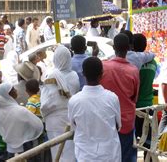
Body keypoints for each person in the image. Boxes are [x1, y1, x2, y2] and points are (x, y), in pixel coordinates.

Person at [68, 57, 122, 161]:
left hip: (85, 156)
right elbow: (118, 125)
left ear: (83, 73)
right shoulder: (112, 98)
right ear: (102, 73)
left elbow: (73, 125)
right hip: (110, 155)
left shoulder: (74, 101)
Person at [101, 33, 140, 162]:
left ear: (113, 47)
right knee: (127, 156)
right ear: (129, 48)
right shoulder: (133, 70)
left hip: (106, 120)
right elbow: (135, 97)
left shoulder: (103, 66)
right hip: (126, 120)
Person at [41, 46, 80, 162]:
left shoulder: (50, 76)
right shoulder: (74, 76)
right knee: (70, 152)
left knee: (56, 153)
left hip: (53, 121)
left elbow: (45, 103)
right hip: (70, 118)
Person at [0, 82, 43, 158]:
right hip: (25, 148)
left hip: (10, 149)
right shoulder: (20, 110)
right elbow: (38, 126)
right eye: (13, 89)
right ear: (8, 94)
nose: (16, 90)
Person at [134, 34, 158, 150]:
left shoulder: (132, 63)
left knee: (133, 141)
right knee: (148, 141)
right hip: (148, 104)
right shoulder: (153, 63)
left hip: (135, 106)